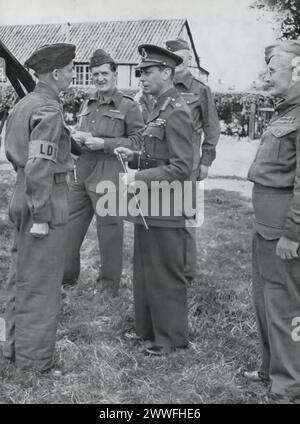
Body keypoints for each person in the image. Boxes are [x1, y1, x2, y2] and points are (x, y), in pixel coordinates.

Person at [3, 43, 78, 372]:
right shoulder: (48, 108)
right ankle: (34, 364)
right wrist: (42, 215)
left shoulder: (26, 103)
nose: (74, 74)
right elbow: (40, 166)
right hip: (43, 198)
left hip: (24, 195)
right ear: (57, 73)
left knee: (19, 278)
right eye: (73, 69)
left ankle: (10, 350)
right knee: (42, 286)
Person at [115, 44, 194, 355]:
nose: (141, 78)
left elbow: (181, 167)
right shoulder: (157, 109)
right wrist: (134, 157)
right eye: (140, 73)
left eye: (147, 72)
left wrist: (138, 177)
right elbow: (156, 157)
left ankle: (172, 338)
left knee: (165, 271)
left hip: (168, 204)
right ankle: (148, 330)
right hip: (150, 204)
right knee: (146, 269)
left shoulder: (176, 111)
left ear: (166, 72)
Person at [62, 49, 144, 295]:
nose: (99, 78)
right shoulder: (88, 102)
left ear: (114, 74)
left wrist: (105, 144)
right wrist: (77, 135)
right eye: (95, 74)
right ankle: (66, 278)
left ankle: (108, 288)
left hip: (109, 173)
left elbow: (139, 143)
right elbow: (83, 131)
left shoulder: (129, 106)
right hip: (82, 173)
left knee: (109, 232)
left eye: (104, 73)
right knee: (68, 226)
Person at [246, 40, 300, 400]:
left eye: (273, 69)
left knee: (285, 307)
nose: (266, 76)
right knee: (265, 301)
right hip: (265, 226)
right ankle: (270, 369)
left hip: (283, 231)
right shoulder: (285, 112)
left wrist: (292, 234)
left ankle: (288, 386)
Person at [165, 38, 220, 282]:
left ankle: (186, 273)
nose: (176, 63)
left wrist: (206, 160)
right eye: (171, 59)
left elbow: (212, 128)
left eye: (180, 58)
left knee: (186, 219)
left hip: (188, 165)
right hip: (162, 164)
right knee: (163, 215)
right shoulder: (160, 87)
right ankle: (166, 267)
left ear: (188, 60)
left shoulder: (200, 90)